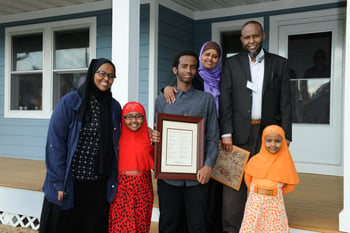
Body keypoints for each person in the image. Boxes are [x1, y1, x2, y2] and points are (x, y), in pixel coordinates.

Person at [220, 20, 292, 233]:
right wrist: (226, 132)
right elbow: (226, 100)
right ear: (242, 40)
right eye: (247, 37)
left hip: (268, 135)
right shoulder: (231, 64)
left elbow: (286, 101)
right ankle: (232, 229)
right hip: (237, 133)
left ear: (263, 36)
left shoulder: (280, 64)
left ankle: (262, 227)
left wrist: (285, 134)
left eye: (255, 36)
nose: (251, 41)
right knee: (234, 185)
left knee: (266, 183)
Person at [39, 58, 122, 233]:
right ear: (92, 73)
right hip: (71, 181)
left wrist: (149, 131)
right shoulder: (71, 102)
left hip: (98, 183)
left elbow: (123, 135)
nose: (106, 78)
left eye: (111, 75)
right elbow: (55, 143)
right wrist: (58, 182)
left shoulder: (114, 107)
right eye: (102, 73)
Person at [154, 49, 219, 233]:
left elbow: (212, 137)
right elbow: (158, 134)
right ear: (175, 70)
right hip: (169, 177)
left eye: (192, 67)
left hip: (197, 177)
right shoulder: (162, 100)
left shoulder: (206, 100)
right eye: (184, 66)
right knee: (168, 224)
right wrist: (154, 137)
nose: (188, 70)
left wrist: (208, 165)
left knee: (197, 225)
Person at [240, 125, 299, 232]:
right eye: (269, 140)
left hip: (274, 205)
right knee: (253, 227)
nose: (273, 144)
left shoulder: (285, 163)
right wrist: (256, 191)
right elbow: (248, 179)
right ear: (263, 141)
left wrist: (277, 192)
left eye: (277, 141)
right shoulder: (255, 160)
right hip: (255, 204)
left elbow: (290, 185)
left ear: (283, 142)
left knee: (273, 228)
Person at [108, 101, 154, 233]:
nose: (134, 120)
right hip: (122, 188)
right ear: (123, 118)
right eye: (129, 116)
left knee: (141, 225)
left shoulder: (150, 136)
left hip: (143, 188)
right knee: (121, 226)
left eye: (138, 116)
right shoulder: (117, 136)